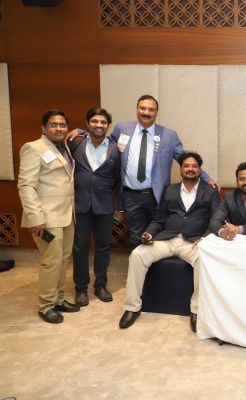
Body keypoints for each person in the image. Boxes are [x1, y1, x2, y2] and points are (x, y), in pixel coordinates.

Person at [70, 95, 216, 247]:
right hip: (131, 197)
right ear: (136, 110)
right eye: (142, 108)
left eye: (151, 110)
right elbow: (102, 139)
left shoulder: (169, 135)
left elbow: (186, 160)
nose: (146, 112)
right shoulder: (122, 129)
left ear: (156, 112)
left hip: (158, 197)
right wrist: (81, 132)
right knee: (136, 239)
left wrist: (207, 179)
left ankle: (157, 263)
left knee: (158, 238)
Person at [119, 152, 220, 331]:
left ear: (199, 169)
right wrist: (149, 233)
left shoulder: (210, 191)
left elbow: (215, 220)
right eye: (186, 166)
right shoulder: (170, 190)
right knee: (137, 254)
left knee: (204, 260)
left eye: (194, 166)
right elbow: (159, 219)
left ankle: (196, 310)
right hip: (167, 239)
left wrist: (204, 238)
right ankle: (132, 307)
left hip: (192, 242)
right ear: (181, 169)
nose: (190, 169)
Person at [18, 109, 80, 323]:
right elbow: (26, 185)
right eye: (53, 124)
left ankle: (59, 298)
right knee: (51, 261)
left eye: (63, 125)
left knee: (63, 260)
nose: (59, 128)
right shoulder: (33, 148)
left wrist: (79, 130)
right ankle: (46, 306)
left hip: (67, 215)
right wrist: (36, 217)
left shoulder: (63, 147)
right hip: (46, 218)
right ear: (43, 128)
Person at [68, 107, 121, 306]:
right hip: (80, 205)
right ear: (87, 123)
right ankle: (80, 288)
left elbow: (118, 179)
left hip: (104, 206)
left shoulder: (116, 149)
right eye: (95, 121)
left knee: (103, 248)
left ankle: (100, 285)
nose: (99, 125)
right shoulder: (76, 142)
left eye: (103, 122)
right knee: (80, 248)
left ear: (108, 126)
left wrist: (118, 206)